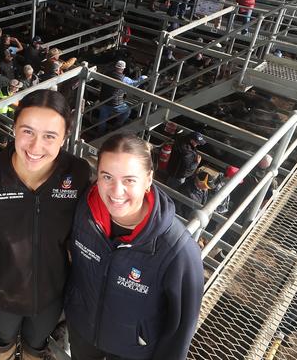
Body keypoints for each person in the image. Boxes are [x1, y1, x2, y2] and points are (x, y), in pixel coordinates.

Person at [0, 90, 91, 360]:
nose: (36, 147)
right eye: (27, 131)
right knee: (3, 343)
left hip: (51, 294)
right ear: (13, 128)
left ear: (65, 136)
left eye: (50, 136)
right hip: (1, 294)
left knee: (36, 346)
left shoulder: (78, 174)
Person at [65, 133, 204, 360]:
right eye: (107, 176)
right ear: (97, 174)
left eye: (129, 180)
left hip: (134, 351)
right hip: (82, 332)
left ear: (149, 178)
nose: (116, 191)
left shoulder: (177, 251)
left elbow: (181, 329)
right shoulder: (84, 210)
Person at [97, 60, 132, 134]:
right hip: (115, 104)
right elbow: (135, 83)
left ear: (115, 66)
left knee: (102, 120)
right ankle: (116, 127)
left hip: (104, 101)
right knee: (127, 111)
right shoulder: (124, 79)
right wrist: (143, 77)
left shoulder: (107, 73)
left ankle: (100, 134)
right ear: (123, 69)